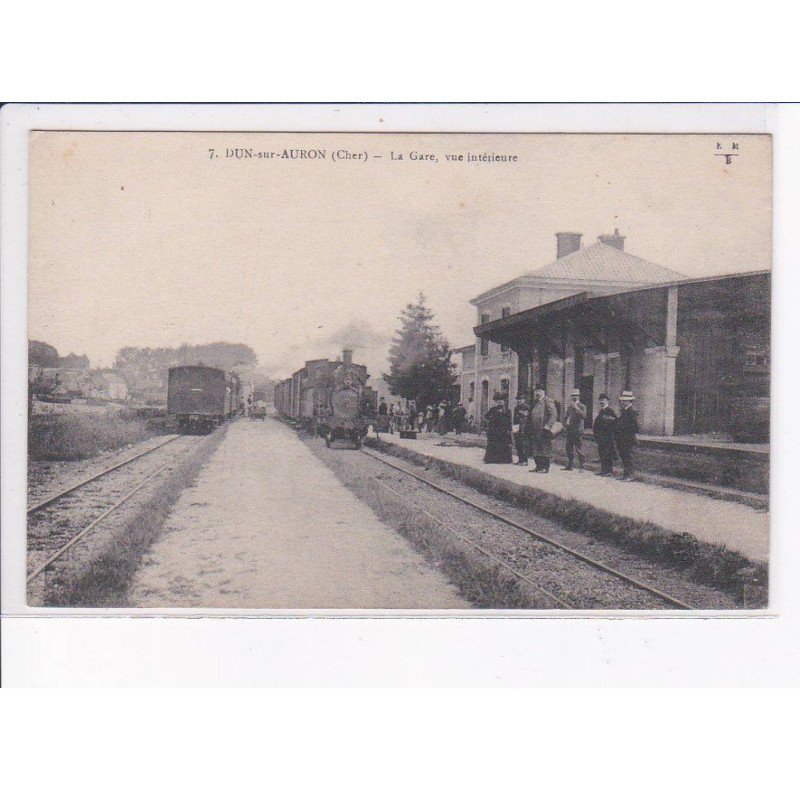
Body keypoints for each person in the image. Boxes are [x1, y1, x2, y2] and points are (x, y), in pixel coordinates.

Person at [528, 384, 558, 473]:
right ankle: (538, 466)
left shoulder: (548, 401)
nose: (537, 393)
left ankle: (545, 468)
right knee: (536, 448)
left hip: (544, 429)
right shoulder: (535, 402)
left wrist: (548, 425)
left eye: (539, 391)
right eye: (536, 391)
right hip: (535, 429)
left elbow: (553, 415)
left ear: (543, 391)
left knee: (544, 448)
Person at [615, 390, 639, 481]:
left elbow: (635, 427)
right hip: (622, 438)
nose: (622, 402)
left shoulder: (632, 411)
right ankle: (626, 475)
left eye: (624, 401)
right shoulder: (625, 411)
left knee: (628, 457)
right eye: (621, 401)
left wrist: (625, 432)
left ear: (629, 401)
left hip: (628, 438)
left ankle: (630, 476)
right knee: (624, 456)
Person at [484, 392, 513, 464]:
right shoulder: (493, 409)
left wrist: (509, 430)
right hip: (494, 430)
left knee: (503, 444)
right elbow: (486, 416)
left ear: (504, 402)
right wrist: (491, 422)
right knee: (494, 444)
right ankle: (492, 459)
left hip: (503, 430)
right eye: (498, 400)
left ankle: (504, 460)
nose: (500, 402)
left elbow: (509, 421)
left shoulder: (507, 410)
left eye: (502, 400)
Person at [593, 393, 618, 476]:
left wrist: (610, 433)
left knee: (607, 454)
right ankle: (603, 469)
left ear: (607, 401)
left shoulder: (610, 411)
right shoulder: (601, 411)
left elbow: (615, 422)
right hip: (600, 437)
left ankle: (608, 471)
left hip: (607, 437)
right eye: (600, 400)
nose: (602, 402)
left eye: (603, 400)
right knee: (602, 453)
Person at [562, 388, 587, 471]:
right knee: (569, 448)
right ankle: (570, 465)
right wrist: (565, 425)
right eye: (573, 395)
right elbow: (566, 417)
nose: (574, 397)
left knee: (579, 448)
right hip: (570, 430)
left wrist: (576, 408)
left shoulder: (582, 406)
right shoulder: (569, 406)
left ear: (579, 396)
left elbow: (584, 416)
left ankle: (582, 466)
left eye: (576, 395)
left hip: (578, 430)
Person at [512, 393, 531, 466]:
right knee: (518, 444)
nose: (519, 401)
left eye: (521, 399)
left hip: (524, 428)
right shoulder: (516, 408)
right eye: (518, 399)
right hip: (516, 427)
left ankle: (524, 461)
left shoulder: (527, 407)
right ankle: (520, 459)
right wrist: (514, 428)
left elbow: (527, 418)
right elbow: (515, 418)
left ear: (524, 400)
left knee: (524, 444)